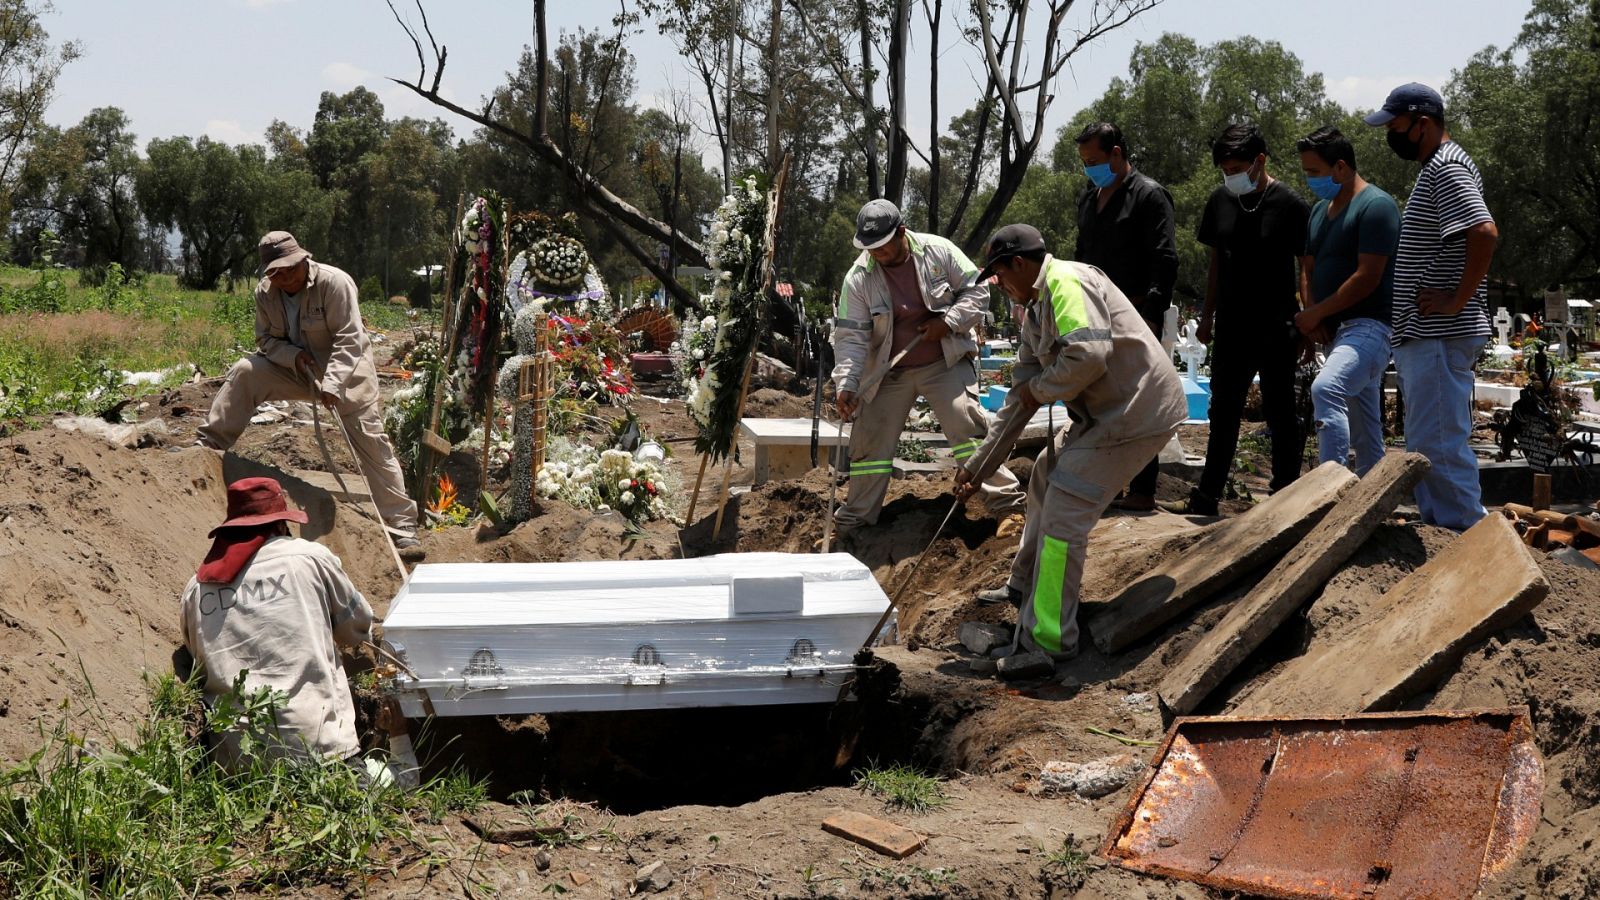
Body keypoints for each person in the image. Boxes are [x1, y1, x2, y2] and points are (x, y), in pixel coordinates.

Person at [958, 225, 1186, 666]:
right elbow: (1019, 399)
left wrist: (1039, 390)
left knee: (1065, 511)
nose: (998, 284)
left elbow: (1088, 355)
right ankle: (1023, 586)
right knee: (1044, 474)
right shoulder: (1035, 310)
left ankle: (1048, 639)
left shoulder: (1067, 281)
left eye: (999, 275)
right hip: (1105, 415)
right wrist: (977, 468)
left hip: (1138, 412)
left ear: (1019, 264)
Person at [197, 231, 422, 557]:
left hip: (348, 377)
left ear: (304, 259)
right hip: (298, 369)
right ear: (269, 273)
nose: (286, 277)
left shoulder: (335, 283)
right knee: (246, 371)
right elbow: (266, 341)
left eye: (292, 268)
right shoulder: (265, 294)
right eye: (278, 272)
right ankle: (208, 446)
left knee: (371, 442)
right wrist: (294, 357)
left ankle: (402, 527)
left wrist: (333, 383)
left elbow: (350, 339)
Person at [830, 200, 1026, 542]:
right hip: (889, 373)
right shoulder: (858, 278)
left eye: (883, 246)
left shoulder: (940, 251)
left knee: (966, 426)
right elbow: (851, 338)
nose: (876, 253)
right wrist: (846, 384)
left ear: (902, 232)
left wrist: (948, 322)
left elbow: (978, 290)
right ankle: (854, 526)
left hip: (943, 362)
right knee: (870, 445)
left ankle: (1007, 506)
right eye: (870, 248)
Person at [1365, 83, 1497, 531]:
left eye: (1395, 126)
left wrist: (1457, 299)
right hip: (1427, 333)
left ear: (1422, 124)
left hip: (1439, 331)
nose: (1391, 135)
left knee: (1438, 442)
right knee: (1427, 440)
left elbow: (1484, 232)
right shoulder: (1439, 166)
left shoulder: (1446, 166)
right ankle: (1444, 530)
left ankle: (1467, 536)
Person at [1163, 124, 1311, 516]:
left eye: (1237, 169)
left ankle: (1283, 497)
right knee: (1223, 411)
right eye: (1225, 170)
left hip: (1277, 325)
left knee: (1281, 411)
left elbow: (1306, 266)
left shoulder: (1289, 204)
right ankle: (1207, 496)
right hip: (1232, 325)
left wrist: (1308, 320)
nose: (1231, 176)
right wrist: (1207, 316)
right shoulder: (1221, 200)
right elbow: (1216, 262)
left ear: (1260, 161)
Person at [179, 477, 374, 772]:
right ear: (281, 524)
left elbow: (196, 658)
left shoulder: (197, 588)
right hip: (320, 749)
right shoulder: (310, 558)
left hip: (237, 762)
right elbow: (357, 627)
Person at [1072, 122, 1179, 512]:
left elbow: (1164, 258)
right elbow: (1081, 258)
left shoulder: (1149, 196)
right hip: (1094, 315)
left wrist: (1150, 315)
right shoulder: (1089, 200)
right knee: (1098, 401)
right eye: (1085, 163)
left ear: (1116, 153)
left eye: (1094, 161)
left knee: (1137, 402)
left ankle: (1143, 489)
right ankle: (1105, 482)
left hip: (1135, 314)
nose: (1090, 169)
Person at [1294, 126, 1401, 476]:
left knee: (1327, 389)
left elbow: (1367, 276)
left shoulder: (1376, 207)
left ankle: (1329, 487)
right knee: (1365, 428)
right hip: (1335, 332)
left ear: (1340, 167)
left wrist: (1317, 313)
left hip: (1369, 327)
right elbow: (1308, 268)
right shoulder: (1318, 211)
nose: (1310, 180)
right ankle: (1374, 495)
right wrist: (1313, 316)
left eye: (1315, 172)